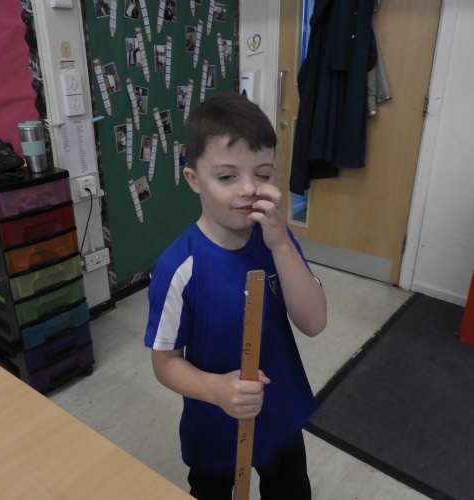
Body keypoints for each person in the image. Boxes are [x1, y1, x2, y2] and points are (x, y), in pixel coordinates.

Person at [144, 92, 327, 500]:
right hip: (216, 424)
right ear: (195, 180)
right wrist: (216, 391)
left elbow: (315, 323)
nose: (248, 189)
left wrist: (280, 245)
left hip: (280, 414)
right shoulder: (179, 268)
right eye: (227, 177)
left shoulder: (277, 239)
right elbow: (164, 362)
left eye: (263, 174)